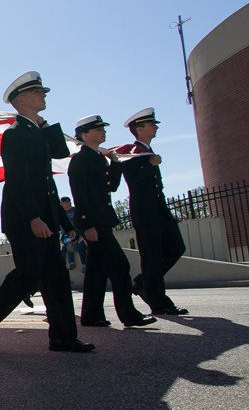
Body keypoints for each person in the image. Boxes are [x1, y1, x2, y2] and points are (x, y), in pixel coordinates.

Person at [0, 71, 94, 354]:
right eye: (38, 93)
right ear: (22, 99)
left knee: (56, 278)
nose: (44, 96)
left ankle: (63, 337)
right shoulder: (14, 134)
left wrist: (64, 222)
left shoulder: (36, 132)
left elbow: (59, 157)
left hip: (44, 217)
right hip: (26, 219)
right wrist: (32, 217)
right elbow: (17, 179)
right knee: (28, 275)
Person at [67, 115, 157, 329]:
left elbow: (111, 187)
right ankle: (129, 314)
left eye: (102, 128)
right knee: (119, 266)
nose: (103, 132)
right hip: (94, 223)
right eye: (97, 129)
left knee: (96, 271)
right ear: (84, 135)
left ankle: (91, 315)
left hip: (103, 220)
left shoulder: (98, 158)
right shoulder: (80, 160)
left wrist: (115, 164)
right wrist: (86, 225)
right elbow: (80, 195)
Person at [121, 107, 189, 315]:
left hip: (159, 211)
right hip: (145, 213)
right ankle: (159, 302)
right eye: (151, 124)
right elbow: (132, 180)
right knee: (151, 257)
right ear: (139, 129)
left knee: (176, 248)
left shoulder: (147, 152)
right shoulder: (132, 153)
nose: (155, 126)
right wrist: (150, 165)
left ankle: (143, 283)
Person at [59, 197, 89, 271]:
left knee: (80, 247)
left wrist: (81, 237)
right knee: (64, 248)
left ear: (68, 202)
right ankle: (67, 264)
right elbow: (62, 228)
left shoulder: (75, 210)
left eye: (62, 203)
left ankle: (84, 264)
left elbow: (82, 224)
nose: (61, 204)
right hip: (66, 237)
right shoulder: (62, 214)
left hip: (78, 235)